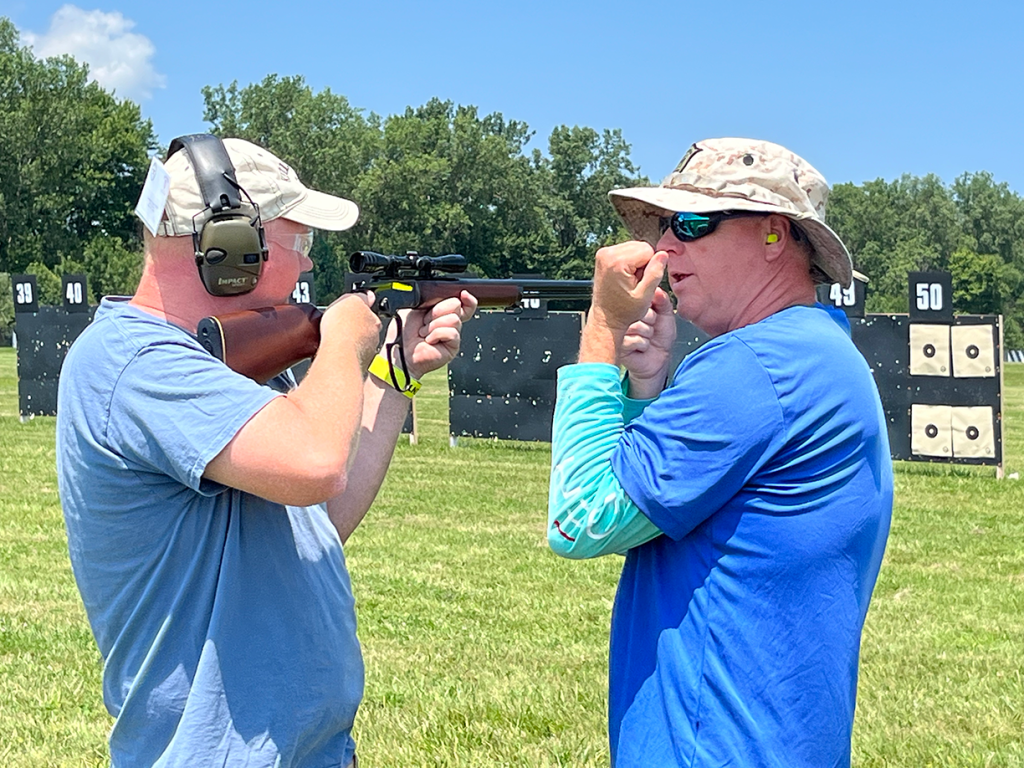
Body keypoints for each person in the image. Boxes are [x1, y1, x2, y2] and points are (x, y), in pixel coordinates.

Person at [56, 135, 477, 767]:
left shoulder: (231, 364)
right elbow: (314, 464)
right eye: (298, 242)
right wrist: (342, 334)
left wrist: (393, 374)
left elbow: (318, 517)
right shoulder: (134, 362)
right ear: (230, 248)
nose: (308, 266)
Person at [547, 138, 893, 767]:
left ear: (772, 234)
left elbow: (581, 517)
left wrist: (600, 333)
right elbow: (683, 517)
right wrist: (648, 388)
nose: (664, 247)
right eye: (664, 226)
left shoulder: (752, 366)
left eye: (693, 223)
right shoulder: (817, 351)